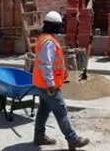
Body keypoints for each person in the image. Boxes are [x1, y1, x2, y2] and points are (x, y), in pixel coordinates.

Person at [32, 11, 90, 150]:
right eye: (58, 26)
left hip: (42, 83)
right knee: (61, 111)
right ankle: (72, 139)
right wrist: (51, 83)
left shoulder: (43, 38)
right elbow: (46, 64)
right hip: (48, 85)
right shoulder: (49, 42)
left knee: (43, 110)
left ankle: (39, 136)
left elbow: (51, 63)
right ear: (54, 26)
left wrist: (61, 74)